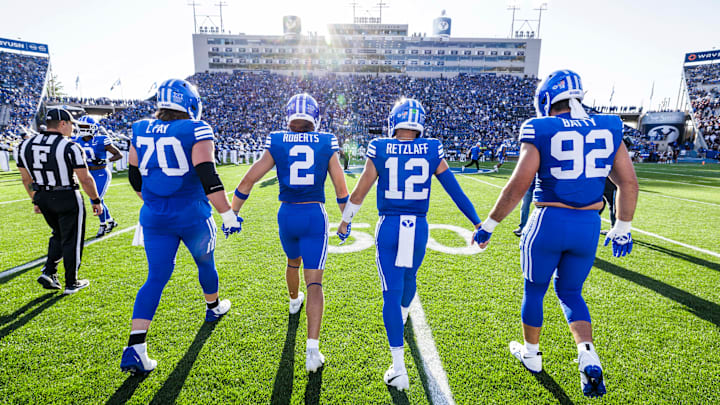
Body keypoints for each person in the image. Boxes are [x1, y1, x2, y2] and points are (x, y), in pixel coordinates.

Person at [473, 70, 639, 398]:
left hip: (548, 221)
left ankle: (532, 354)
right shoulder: (609, 126)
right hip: (589, 225)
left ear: (547, 99)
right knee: (571, 293)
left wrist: (489, 224)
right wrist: (622, 227)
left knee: (534, 291)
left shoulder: (541, 127)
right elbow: (628, 183)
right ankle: (587, 353)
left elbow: (519, 184)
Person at [337, 98, 482, 391]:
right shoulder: (431, 149)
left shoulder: (380, 147)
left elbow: (360, 191)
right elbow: (454, 190)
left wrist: (346, 221)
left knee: (391, 291)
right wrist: (478, 223)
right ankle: (403, 317)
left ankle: (398, 367)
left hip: (390, 224)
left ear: (395, 121)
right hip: (418, 227)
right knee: (409, 278)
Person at [120, 79, 243, 376]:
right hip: (192, 216)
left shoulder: (140, 128)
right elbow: (208, 176)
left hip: (154, 217)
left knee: (156, 277)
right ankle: (212, 307)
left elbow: (134, 177)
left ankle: (136, 346)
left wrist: (155, 202)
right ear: (188, 102)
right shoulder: (196, 129)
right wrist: (228, 214)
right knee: (205, 263)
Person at [231, 93, 349, 373]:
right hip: (313, 215)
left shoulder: (278, 140)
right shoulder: (326, 141)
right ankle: (312, 350)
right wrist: (346, 220)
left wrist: (232, 213)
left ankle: (293, 300)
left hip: (287, 214)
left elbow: (249, 179)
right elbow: (341, 190)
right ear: (315, 117)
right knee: (316, 284)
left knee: (291, 262)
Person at [14, 108, 103, 294]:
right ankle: (72, 281)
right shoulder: (70, 146)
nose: (72, 128)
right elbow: (85, 178)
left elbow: (26, 179)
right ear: (63, 123)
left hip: (43, 196)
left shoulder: (23, 145)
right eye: (71, 124)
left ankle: (49, 272)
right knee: (72, 239)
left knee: (59, 234)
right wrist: (95, 199)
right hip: (67, 195)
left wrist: (35, 199)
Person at [71, 116, 123, 237]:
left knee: (95, 199)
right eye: (81, 126)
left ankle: (102, 224)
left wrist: (106, 160)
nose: (82, 129)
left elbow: (118, 154)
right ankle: (111, 221)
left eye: (85, 126)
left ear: (93, 128)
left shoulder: (102, 140)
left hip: (101, 173)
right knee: (99, 199)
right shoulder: (77, 140)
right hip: (88, 174)